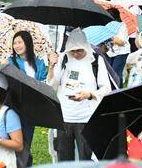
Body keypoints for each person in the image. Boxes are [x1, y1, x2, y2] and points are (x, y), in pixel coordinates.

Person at [47, 28, 112, 161]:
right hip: (64, 117)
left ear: (86, 47)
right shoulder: (63, 59)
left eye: (79, 50)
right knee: (64, 159)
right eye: (73, 50)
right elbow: (52, 85)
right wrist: (51, 67)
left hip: (86, 118)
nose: (76, 54)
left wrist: (89, 94)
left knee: (86, 158)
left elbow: (106, 88)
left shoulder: (96, 61)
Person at [8, 31, 47, 168]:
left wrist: (53, 66)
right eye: (14, 43)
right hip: (14, 107)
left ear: (28, 43)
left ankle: (24, 163)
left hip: (31, 109)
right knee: (15, 141)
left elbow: (44, 82)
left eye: (19, 42)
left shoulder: (39, 63)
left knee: (26, 140)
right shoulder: (10, 62)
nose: (16, 46)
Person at [103, 8, 130, 83]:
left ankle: (119, 90)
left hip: (121, 52)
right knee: (109, 74)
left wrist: (110, 34)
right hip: (110, 53)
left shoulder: (121, 26)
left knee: (116, 73)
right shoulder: (106, 26)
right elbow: (106, 44)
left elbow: (121, 42)